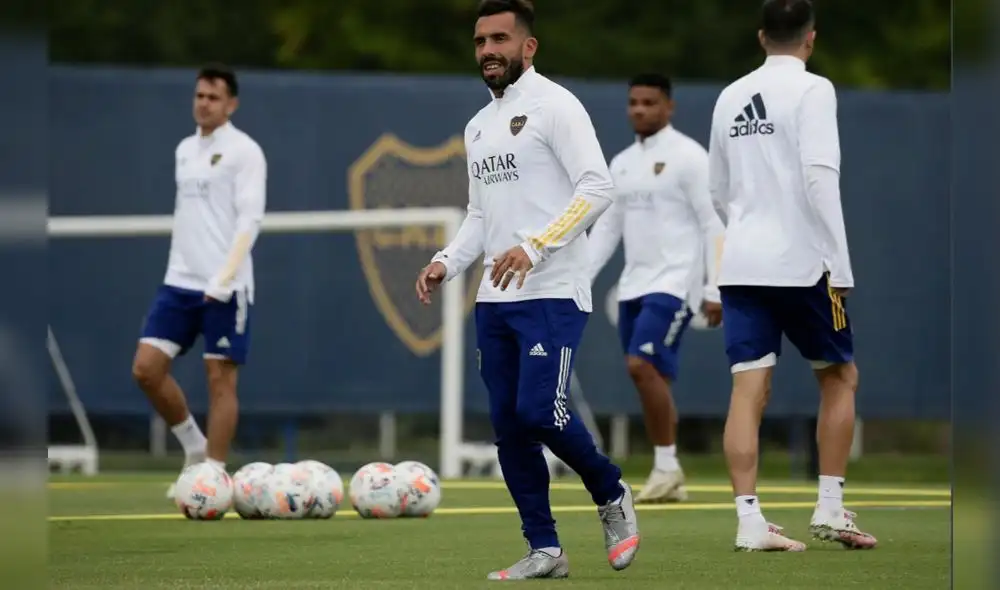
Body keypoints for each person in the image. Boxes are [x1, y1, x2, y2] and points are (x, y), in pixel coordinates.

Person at [415, 0, 639, 580]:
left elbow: (597, 188)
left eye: (500, 39)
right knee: (510, 430)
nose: (489, 50)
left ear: (528, 47)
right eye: (480, 41)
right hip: (495, 299)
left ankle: (611, 491)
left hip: (554, 290)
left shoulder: (556, 105)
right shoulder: (478, 125)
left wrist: (536, 246)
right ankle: (545, 548)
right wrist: (446, 262)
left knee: (541, 411)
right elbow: (479, 215)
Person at [708, 0, 876, 551]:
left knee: (747, 390)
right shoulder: (814, 89)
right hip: (804, 264)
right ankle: (829, 507)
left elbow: (717, 190)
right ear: (811, 38)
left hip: (742, 264)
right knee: (839, 376)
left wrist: (749, 229)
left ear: (762, 37)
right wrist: (840, 262)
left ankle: (749, 521)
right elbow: (820, 177)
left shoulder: (730, 95)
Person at [130, 63, 267, 499]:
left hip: (225, 286)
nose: (204, 104)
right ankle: (194, 447)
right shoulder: (184, 150)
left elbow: (250, 219)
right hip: (179, 282)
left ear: (231, 104)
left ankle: (214, 479)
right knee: (146, 369)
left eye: (213, 97)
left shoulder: (245, 151)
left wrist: (224, 277)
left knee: (219, 380)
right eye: (199, 95)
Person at [589, 74, 725, 504]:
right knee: (653, 377)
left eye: (649, 102)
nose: (639, 110)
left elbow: (713, 223)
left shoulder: (689, 157)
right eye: (634, 102)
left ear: (669, 107)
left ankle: (667, 467)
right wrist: (578, 278)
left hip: (675, 284)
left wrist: (715, 287)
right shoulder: (622, 163)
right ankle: (668, 473)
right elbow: (608, 229)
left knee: (640, 365)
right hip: (633, 286)